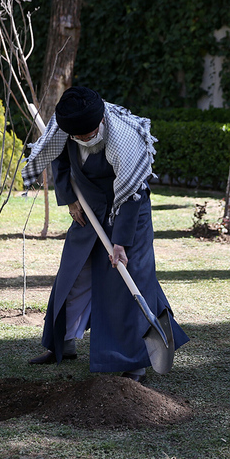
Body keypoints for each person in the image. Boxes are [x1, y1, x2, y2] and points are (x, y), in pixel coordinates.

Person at [21, 86, 188, 383]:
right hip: (88, 210)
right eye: (78, 137)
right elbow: (59, 158)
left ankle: (134, 363)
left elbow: (133, 194)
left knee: (126, 283)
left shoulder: (124, 140)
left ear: (100, 122)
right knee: (73, 275)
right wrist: (69, 199)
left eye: (88, 135)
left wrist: (120, 243)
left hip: (129, 213)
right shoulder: (65, 126)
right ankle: (64, 343)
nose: (84, 140)